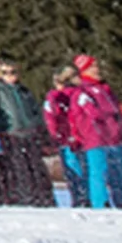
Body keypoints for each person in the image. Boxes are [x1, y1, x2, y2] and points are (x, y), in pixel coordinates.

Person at [66, 55, 122, 209]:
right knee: (99, 172)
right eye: (92, 67)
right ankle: (100, 202)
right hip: (96, 138)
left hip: (114, 137)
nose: (97, 70)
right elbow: (93, 114)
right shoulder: (83, 92)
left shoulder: (104, 89)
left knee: (121, 171)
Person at [0, 59, 51, 206]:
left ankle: (43, 197)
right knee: (19, 167)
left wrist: (38, 126)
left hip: (30, 132)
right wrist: (1, 128)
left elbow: (35, 109)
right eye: (5, 73)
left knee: (36, 166)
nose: (10, 76)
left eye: (13, 72)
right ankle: (26, 197)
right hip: (12, 133)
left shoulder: (24, 91)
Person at [43, 65, 91, 209]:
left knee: (75, 170)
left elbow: (50, 119)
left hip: (67, 138)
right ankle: (84, 197)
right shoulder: (75, 95)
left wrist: (55, 135)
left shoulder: (55, 97)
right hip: (77, 137)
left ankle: (81, 198)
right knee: (82, 168)